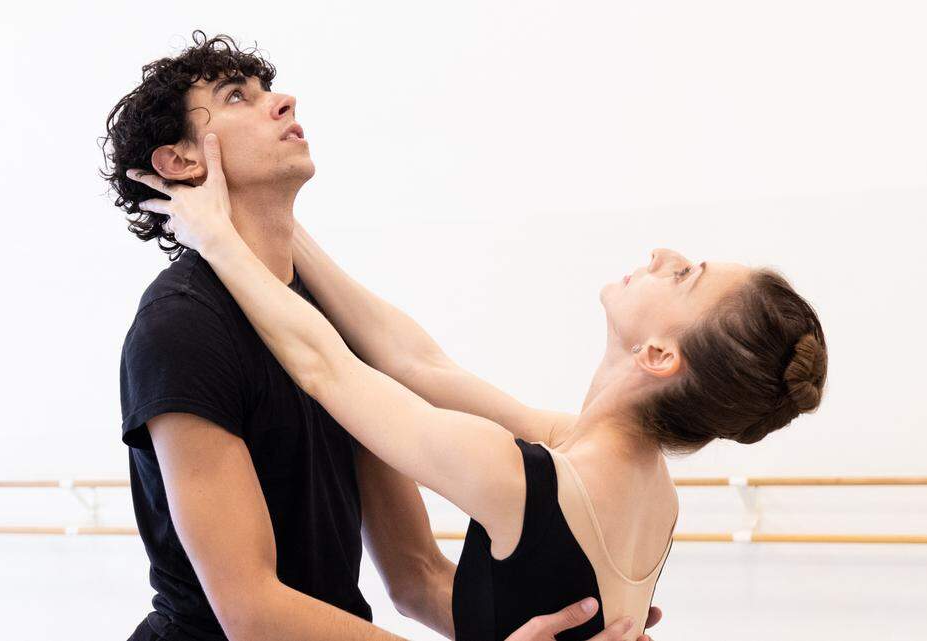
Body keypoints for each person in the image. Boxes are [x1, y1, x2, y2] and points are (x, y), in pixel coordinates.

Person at [124, 122, 828, 639]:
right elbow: (418, 364)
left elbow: (326, 365)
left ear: (657, 355)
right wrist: (273, 221)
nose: (663, 253)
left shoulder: (523, 478)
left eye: (684, 276)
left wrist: (217, 235)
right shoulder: (640, 487)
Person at [103, 32, 658, 641]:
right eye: (238, 97)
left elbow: (416, 575)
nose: (284, 101)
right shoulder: (180, 325)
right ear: (181, 162)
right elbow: (253, 613)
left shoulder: (327, 324)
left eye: (268, 89)